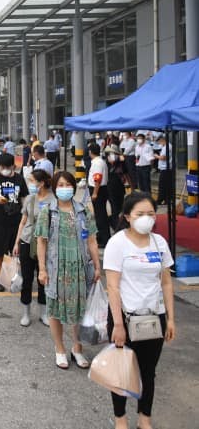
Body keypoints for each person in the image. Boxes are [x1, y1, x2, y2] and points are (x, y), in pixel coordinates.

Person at [103, 192, 175, 429]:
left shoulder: (159, 243)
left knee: (148, 371)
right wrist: (119, 325)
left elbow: (165, 282)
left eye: (151, 214)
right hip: (124, 317)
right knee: (122, 371)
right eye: (140, 214)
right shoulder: (118, 243)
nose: (147, 218)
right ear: (127, 216)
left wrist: (171, 320)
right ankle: (120, 419)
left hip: (155, 317)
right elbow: (112, 286)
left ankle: (145, 418)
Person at [35, 171, 101, 370]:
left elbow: (92, 240)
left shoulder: (84, 211)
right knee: (55, 310)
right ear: (54, 188)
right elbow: (41, 242)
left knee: (79, 310)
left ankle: (77, 348)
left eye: (68, 184)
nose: (65, 188)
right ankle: (60, 349)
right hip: (56, 268)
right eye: (60, 185)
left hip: (79, 267)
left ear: (74, 187)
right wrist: (42, 269)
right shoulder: (48, 211)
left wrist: (97, 266)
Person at [13, 169, 54, 327]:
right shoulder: (29, 199)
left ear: (41, 183)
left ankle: (43, 313)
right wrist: (17, 243)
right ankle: (26, 313)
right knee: (27, 279)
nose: (29, 183)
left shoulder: (53, 200)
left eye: (31, 180)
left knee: (43, 278)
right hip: (27, 241)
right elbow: (23, 222)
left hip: (45, 243)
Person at [0, 153, 28, 292]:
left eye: (7, 167)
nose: (5, 169)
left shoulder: (19, 179)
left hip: (16, 221)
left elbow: (24, 198)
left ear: (13, 166)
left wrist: (26, 215)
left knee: (15, 252)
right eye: (2, 167)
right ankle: (0, 278)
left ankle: (14, 277)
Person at [88, 143, 111, 247]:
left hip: (98, 190)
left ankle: (103, 238)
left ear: (90, 152)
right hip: (100, 189)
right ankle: (101, 236)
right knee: (100, 214)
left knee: (100, 215)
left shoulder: (97, 163)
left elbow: (98, 178)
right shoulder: (99, 161)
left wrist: (95, 193)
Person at [104, 145, 128, 231]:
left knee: (120, 206)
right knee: (114, 207)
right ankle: (116, 225)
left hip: (120, 187)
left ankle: (113, 220)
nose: (112, 155)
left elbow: (126, 173)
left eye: (114, 153)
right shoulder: (106, 163)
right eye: (110, 153)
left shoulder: (121, 163)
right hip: (110, 188)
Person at [155, 135, 172, 206]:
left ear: (162, 140)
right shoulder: (166, 146)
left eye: (159, 141)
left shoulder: (167, 146)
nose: (159, 143)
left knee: (162, 185)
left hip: (166, 168)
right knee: (166, 185)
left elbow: (163, 157)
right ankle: (166, 200)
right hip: (165, 168)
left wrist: (156, 156)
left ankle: (160, 200)